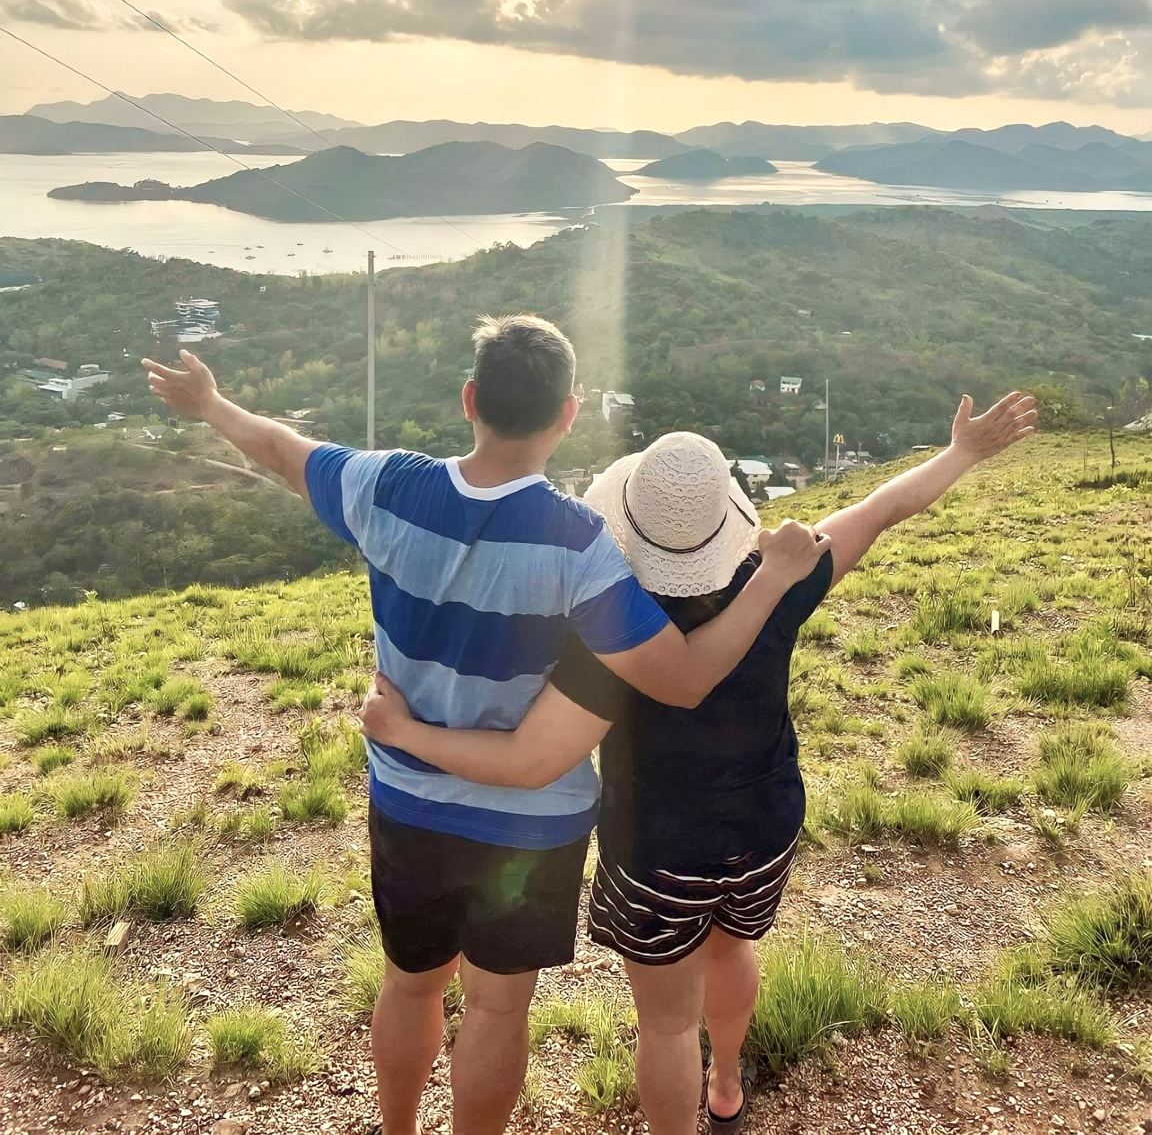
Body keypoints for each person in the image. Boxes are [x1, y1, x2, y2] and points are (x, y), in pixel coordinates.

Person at [141, 315, 829, 1135]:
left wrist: (213, 404)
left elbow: (282, 449)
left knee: (408, 985)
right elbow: (681, 680)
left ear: (470, 399)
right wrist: (771, 580)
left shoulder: (385, 485)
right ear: (569, 414)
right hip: (528, 835)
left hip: (408, 805)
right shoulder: (581, 545)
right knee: (498, 1013)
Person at [362, 392, 1037, 1135]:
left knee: (666, 1026)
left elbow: (534, 735)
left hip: (658, 848)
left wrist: (405, 725)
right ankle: (726, 1086)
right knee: (733, 946)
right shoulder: (777, 581)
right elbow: (879, 509)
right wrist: (963, 452)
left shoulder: (606, 615)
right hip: (764, 825)